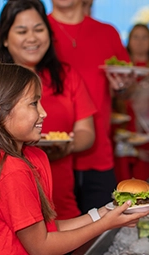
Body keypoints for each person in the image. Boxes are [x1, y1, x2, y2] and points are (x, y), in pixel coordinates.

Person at [0, 64, 148, 254]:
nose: (44, 113)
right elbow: (42, 247)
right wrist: (106, 225)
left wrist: (102, 213)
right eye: (34, 103)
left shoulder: (23, 158)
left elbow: (46, 230)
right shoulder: (11, 171)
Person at [0, 0, 96, 220]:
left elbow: (87, 132)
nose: (32, 38)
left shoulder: (67, 76)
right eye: (22, 31)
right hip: (5, 206)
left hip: (60, 203)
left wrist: (67, 146)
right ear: (4, 38)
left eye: (39, 29)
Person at [48, 0, 133, 213]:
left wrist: (122, 88)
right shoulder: (37, 34)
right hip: (48, 159)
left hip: (98, 156)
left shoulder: (107, 33)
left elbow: (128, 89)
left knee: (99, 239)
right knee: (55, 238)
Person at [113, 23, 149, 182]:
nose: (140, 42)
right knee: (122, 184)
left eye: (144, 37)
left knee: (144, 185)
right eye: (136, 37)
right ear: (128, 41)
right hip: (123, 135)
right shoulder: (121, 72)